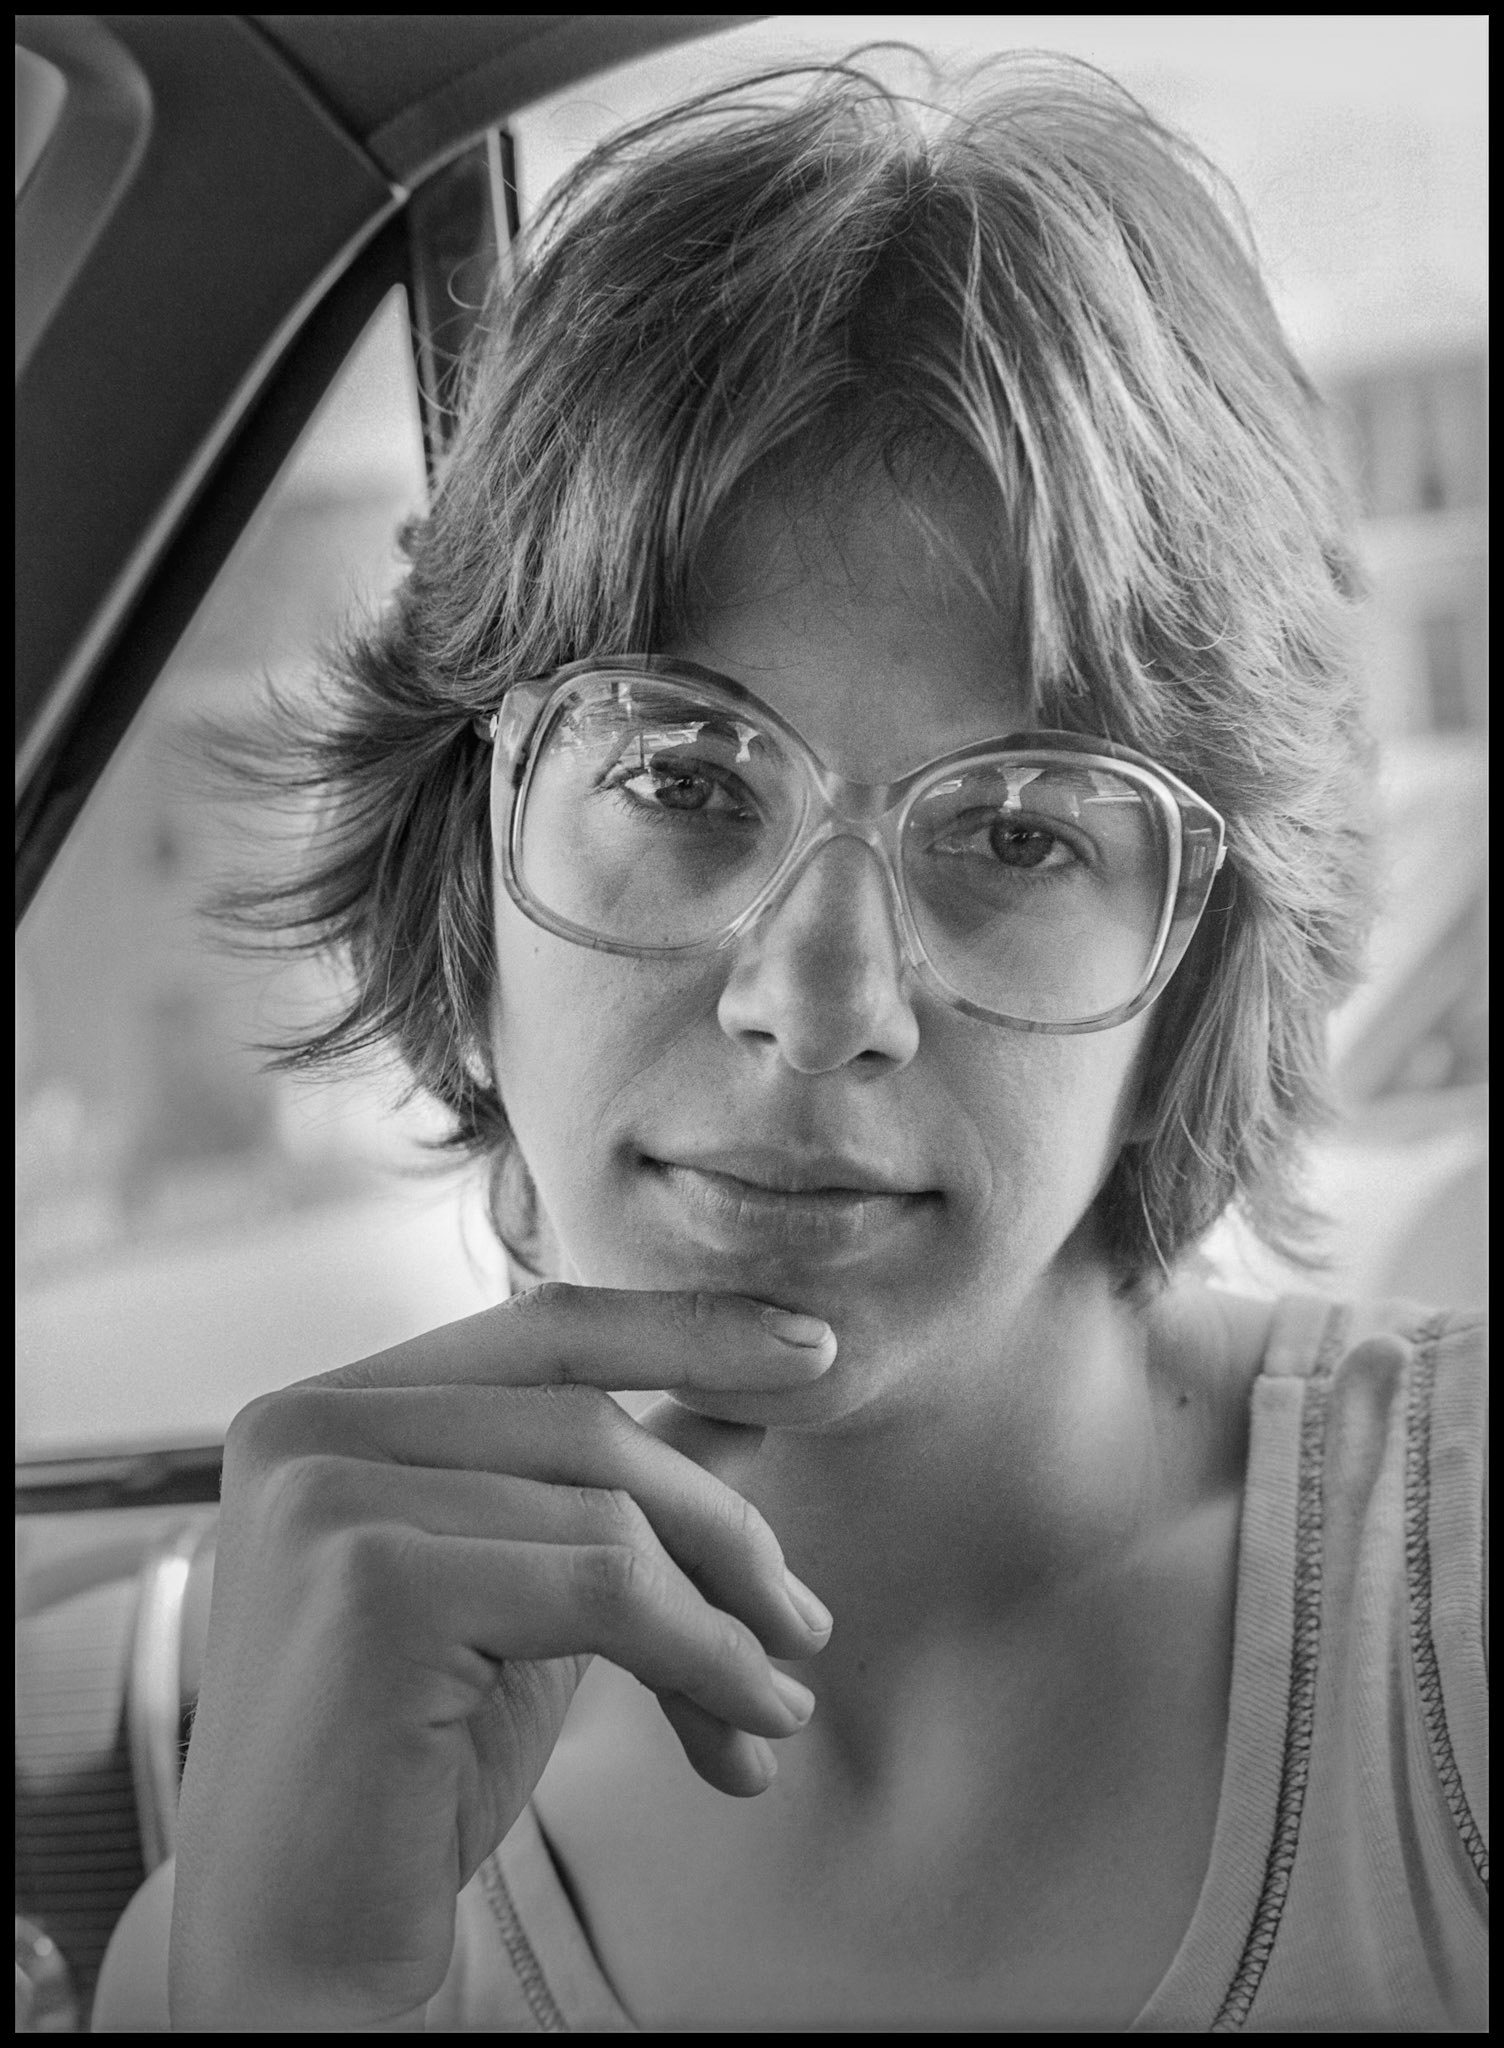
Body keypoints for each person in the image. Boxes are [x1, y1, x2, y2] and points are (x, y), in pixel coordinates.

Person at [94, 51, 1486, 2033]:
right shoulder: (283, 1852)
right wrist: (287, 1983)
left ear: (1192, 951)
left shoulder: (1447, 1601)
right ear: (466, 838)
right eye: (677, 779)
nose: (816, 1004)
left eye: (1015, 833)